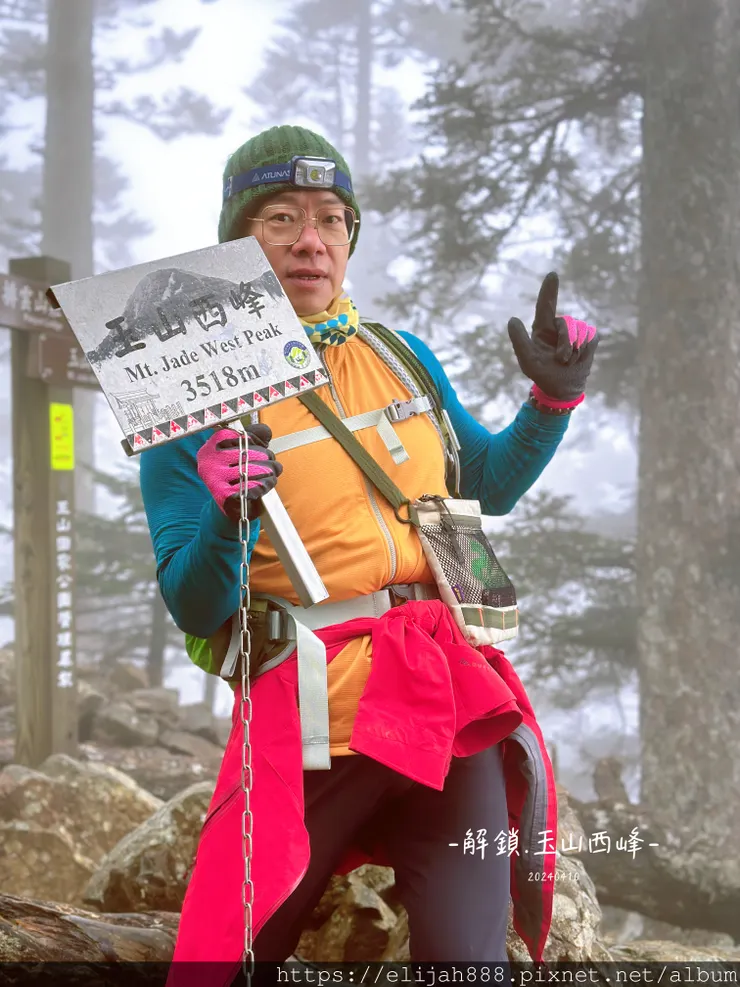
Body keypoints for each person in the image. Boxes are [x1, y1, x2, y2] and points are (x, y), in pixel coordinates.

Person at [140, 125, 599, 985]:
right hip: (309, 716)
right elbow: (195, 603)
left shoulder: (398, 356)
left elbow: (486, 485)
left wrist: (552, 399)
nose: (310, 241)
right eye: (281, 218)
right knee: (229, 960)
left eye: (331, 219)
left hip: (443, 696)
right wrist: (226, 515)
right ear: (236, 241)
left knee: (468, 967)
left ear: (350, 237)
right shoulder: (186, 394)